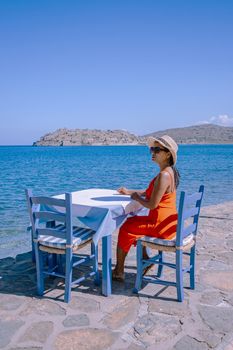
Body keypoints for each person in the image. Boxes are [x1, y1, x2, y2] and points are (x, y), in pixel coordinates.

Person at [112, 135, 180, 282]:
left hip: (160, 226)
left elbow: (152, 204)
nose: (153, 153)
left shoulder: (163, 176)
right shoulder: (170, 172)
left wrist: (136, 198)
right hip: (168, 223)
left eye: (157, 149)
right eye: (152, 149)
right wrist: (130, 191)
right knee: (134, 220)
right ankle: (145, 260)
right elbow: (152, 192)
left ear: (168, 154)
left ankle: (119, 271)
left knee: (126, 227)